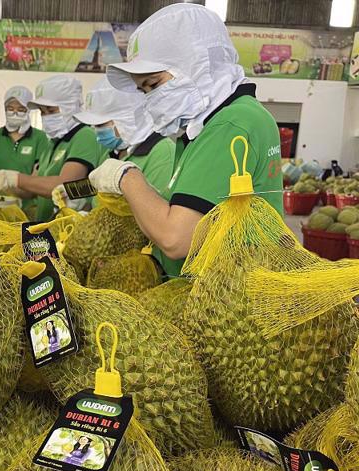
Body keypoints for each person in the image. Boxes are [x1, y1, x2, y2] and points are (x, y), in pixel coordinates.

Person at [86, 3, 283, 278]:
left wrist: (127, 178)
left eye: (154, 84)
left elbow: (176, 239)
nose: (150, 98)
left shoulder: (231, 123)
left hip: (225, 301)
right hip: (208, 296)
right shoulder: (200, 128)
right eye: (143, 90)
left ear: (196, 65)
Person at [0, 75, 107, 222]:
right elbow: (32, 189)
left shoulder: (85, 136)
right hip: (47, 225)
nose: (46, 116)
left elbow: (63, 185)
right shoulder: (53, 143)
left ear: (70, 107)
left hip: (69, 229)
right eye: (42, 112)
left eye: (51, 110)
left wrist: (13, 178)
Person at [75, 78, 175, 194]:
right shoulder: (115, 149)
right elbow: (98, 184)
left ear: (126, 119)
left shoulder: (162, 153)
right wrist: (71, 192)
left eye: (100, 125)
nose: (96, 131)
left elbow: (153, 205)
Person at [0, 86, 50, 176]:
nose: (15, 113)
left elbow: (37, 174)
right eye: (10, 109)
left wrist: (17, 184)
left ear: (28, 111)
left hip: (27, 189)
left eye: (21, 109)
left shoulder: (40, 137)